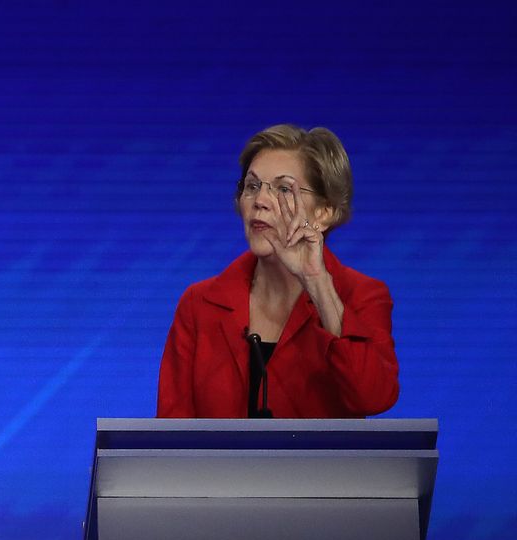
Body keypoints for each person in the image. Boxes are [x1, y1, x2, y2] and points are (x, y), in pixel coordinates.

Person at [157, 124, 396, 418]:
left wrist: (317, 283)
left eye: (283, 189)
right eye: (252, 186)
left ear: (324, 213)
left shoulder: (362, 296)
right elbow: (172, 430)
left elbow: (372, 397)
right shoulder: (199, 304)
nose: (260, 201)